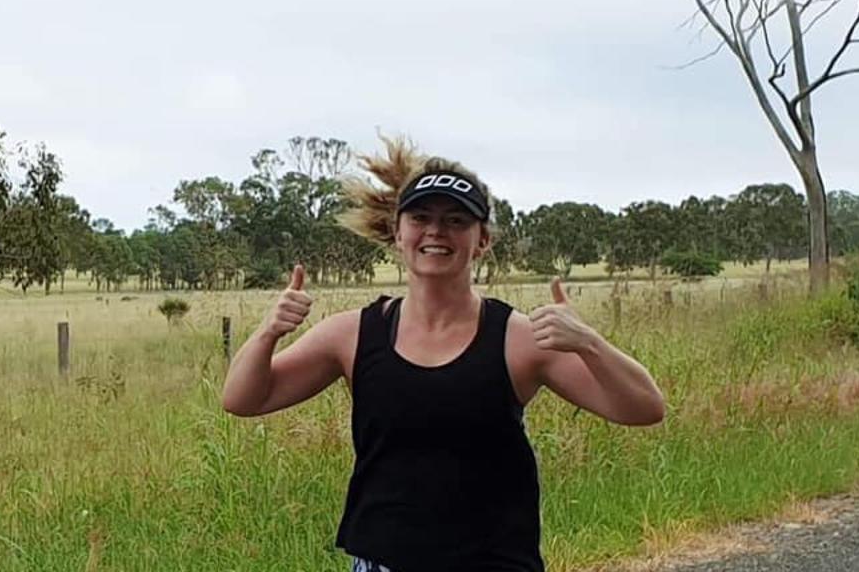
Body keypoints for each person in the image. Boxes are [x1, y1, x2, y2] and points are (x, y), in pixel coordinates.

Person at [221, 137, 666, 572]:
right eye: (420, 217)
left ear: (482, 240)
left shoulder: (518, 339)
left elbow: (644, 408)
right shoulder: (353, 334)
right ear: (398, 233)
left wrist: (588, 342)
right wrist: (268, 331)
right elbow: (243, 399)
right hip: (382, 559)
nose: (436, 231)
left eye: (456, 221)